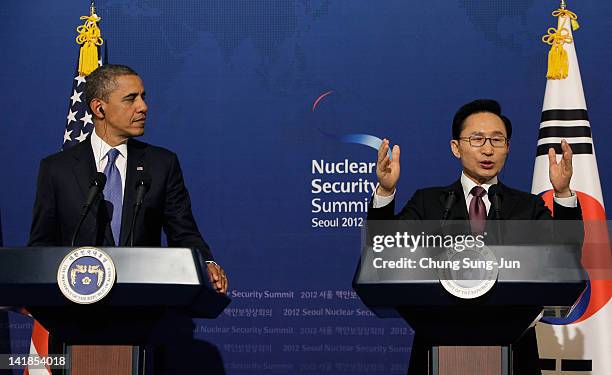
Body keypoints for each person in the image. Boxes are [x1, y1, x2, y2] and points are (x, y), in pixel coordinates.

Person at [367, 99, 581, 374]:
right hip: (436, 347)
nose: (488, 149)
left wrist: (562, 194)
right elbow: (383, 254)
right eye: (477, 139)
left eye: (497, 140)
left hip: (515, 351)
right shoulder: (428, 203)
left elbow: (568, 256)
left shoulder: (527, 206)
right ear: (456, 147)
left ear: (508, 147)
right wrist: (385, 193)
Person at [28, 64, 228, 294]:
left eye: (143, 97)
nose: (143, 107)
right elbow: (41, 244)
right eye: (130, 99)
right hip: (77, 310)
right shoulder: (56, 169)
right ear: (99, 108)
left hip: (142, 309)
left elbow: (183, 233)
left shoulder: (161, 164)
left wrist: (207, 264)